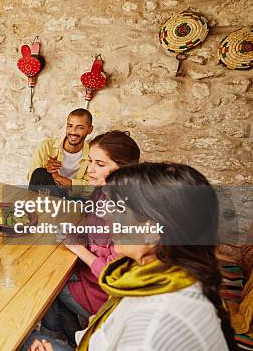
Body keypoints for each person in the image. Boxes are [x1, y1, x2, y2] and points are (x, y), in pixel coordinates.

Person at [27, 163, 235, 351]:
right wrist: (103, 325)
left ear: (152, 232)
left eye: (118, 209)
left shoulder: (154, 325)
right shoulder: (172, 274)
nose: (108, 216)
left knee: (21, 340)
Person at [36, 131, 140, 346]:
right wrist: (73, 233)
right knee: (48, 269)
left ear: (124, 170)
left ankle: (52, 340)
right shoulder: (101, 193)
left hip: (100, 292)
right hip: (86, 274)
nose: (91, 169)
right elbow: (91, 228)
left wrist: (77, 248)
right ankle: (71, 338)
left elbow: (115, 276)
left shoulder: (128, 212)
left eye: (100, 164)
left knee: (46, 288)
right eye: (91, 161)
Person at [28, 109, 93, 195]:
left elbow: (90, 187)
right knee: (40, 173)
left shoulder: (92, 153)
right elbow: (34, 180)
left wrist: (58, 178)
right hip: (49, 193)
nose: (73, 132)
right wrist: (48, 172)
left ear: (90, 129)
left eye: (80, 127)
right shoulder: (46, 146)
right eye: (70, 126)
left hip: (73, 197)